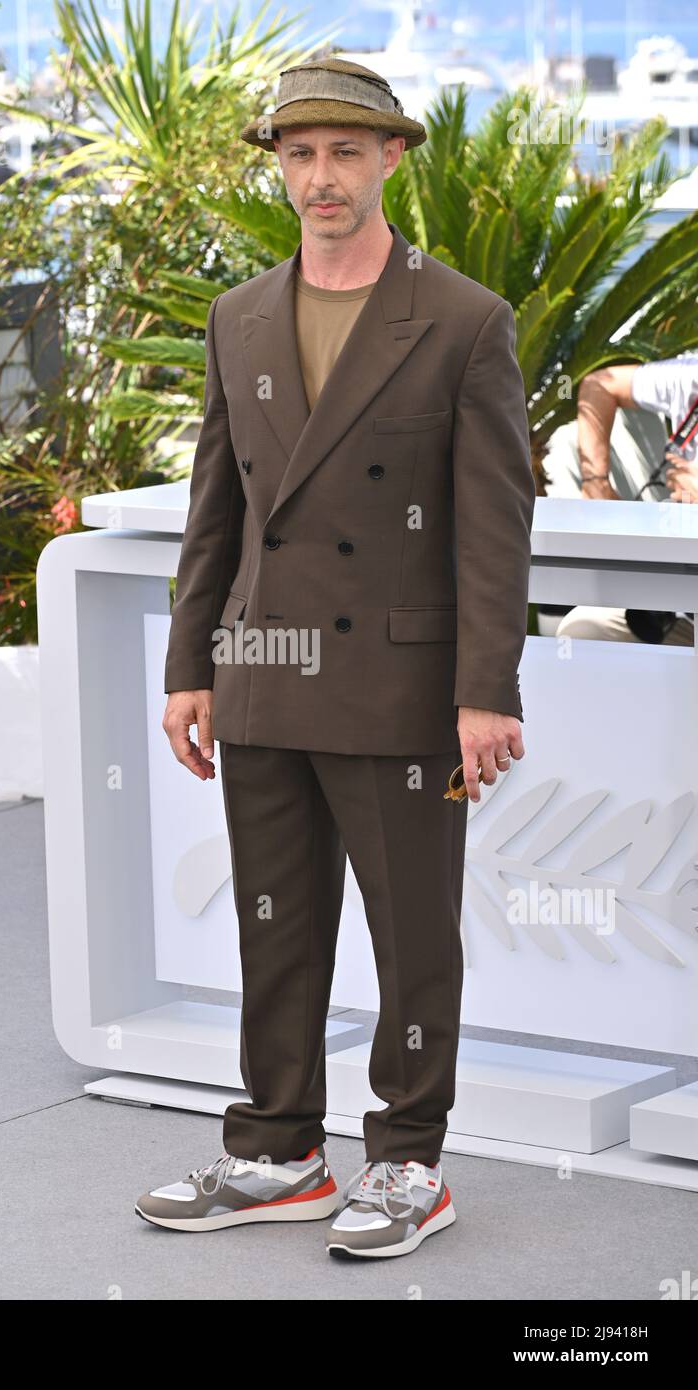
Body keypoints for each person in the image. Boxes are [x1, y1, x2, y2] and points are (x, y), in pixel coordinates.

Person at [134, 57, 535, 1259]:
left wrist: (485, 689)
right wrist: (188, 662)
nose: (322, 177)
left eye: (346, 153)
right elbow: (219, 506)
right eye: (301, 154)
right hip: (259, 665)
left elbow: (493, 528)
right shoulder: (238, 315)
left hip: (401, 686)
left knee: (413, 935)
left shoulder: (465, 320)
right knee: (278, 924)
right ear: (280, 165)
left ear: (392, 159)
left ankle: (409, 1162)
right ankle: (277, 1151)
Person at [552, 355, 698, 645]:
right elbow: (599, 385)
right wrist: (596, 482)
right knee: (583, 631)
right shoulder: (689, 375)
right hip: (681, 610)